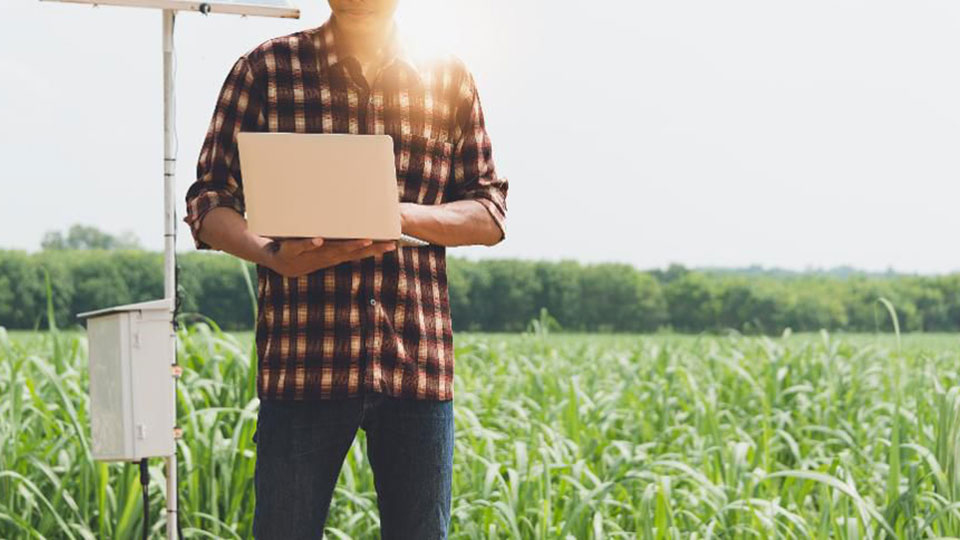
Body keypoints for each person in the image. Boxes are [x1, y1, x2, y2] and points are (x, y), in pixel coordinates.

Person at [182, 0, 507, 537]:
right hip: (302, 360)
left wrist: (390, 210)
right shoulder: (264, 71)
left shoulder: (448, 77)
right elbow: (208, 201)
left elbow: (489, 210)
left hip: (416, 364)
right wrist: (269, 254)